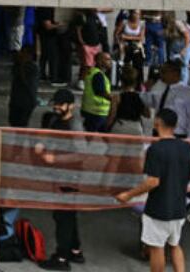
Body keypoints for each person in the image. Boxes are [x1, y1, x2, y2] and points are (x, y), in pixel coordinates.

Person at [115, 109, 190, 272]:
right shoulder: (187, 148)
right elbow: (189, 175)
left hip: (159, 209)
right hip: (179, 207)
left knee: (156, 248)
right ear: (175, 125)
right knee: (174, 245)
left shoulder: (155, 150)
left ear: (157, 123)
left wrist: (128, 195)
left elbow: (152, 181)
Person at [35, 89, 87, 271]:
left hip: (70, 177)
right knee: (68, 214)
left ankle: (62, 257)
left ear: (71, 106)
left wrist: (55, 159)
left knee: (62, 215)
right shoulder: (56, 120)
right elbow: (49, 137)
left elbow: (81, 154)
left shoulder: (75, 126)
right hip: (58, 175)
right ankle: (75, 250)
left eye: (60, 104)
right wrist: (41, 144)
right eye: (55, 103)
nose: (56, 107)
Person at [144, 61, 190, 140]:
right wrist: (147, 88)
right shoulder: (158, 87)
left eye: (164, 72)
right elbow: (149, 100)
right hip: (158, 133)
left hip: (177, 135)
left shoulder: (189, 93)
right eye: (161, 71)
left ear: (175, 73)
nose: (161, 75)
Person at [106, 66, 151, 136]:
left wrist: (106, 128)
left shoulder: (117, 97)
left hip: (120, 126)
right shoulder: (141, 97)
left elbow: (112, 115)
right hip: (136, 127)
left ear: (122, 82)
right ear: (135, 82)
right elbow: (147, 115)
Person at [80, 51, 113, 133]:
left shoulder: (94, 72)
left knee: (90, 137)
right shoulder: (98, 75)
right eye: (107, 59)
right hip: (97, 113)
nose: (110, 62)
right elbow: (100, 92)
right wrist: (114, 99)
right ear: (100, 61)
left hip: (91, 111)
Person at [8, 47, 40, 128]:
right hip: (24, 101)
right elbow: (32, 86)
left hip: (20, 101)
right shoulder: (29, 67)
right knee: (20, 124)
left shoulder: (20, 66)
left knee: (17, 124)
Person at [117, 10, 148, 86]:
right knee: (126, 64)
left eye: (138, 14)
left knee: (138, 64)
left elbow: (140, 37)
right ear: (131, 13)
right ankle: (123, 82)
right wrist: (120, 43)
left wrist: (126, 36)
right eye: (134, 13)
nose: (136, 15)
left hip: (136, 46)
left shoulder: (142, 24)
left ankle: (139, 83)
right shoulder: (124, 22)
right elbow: (117, 34)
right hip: (125, 45)